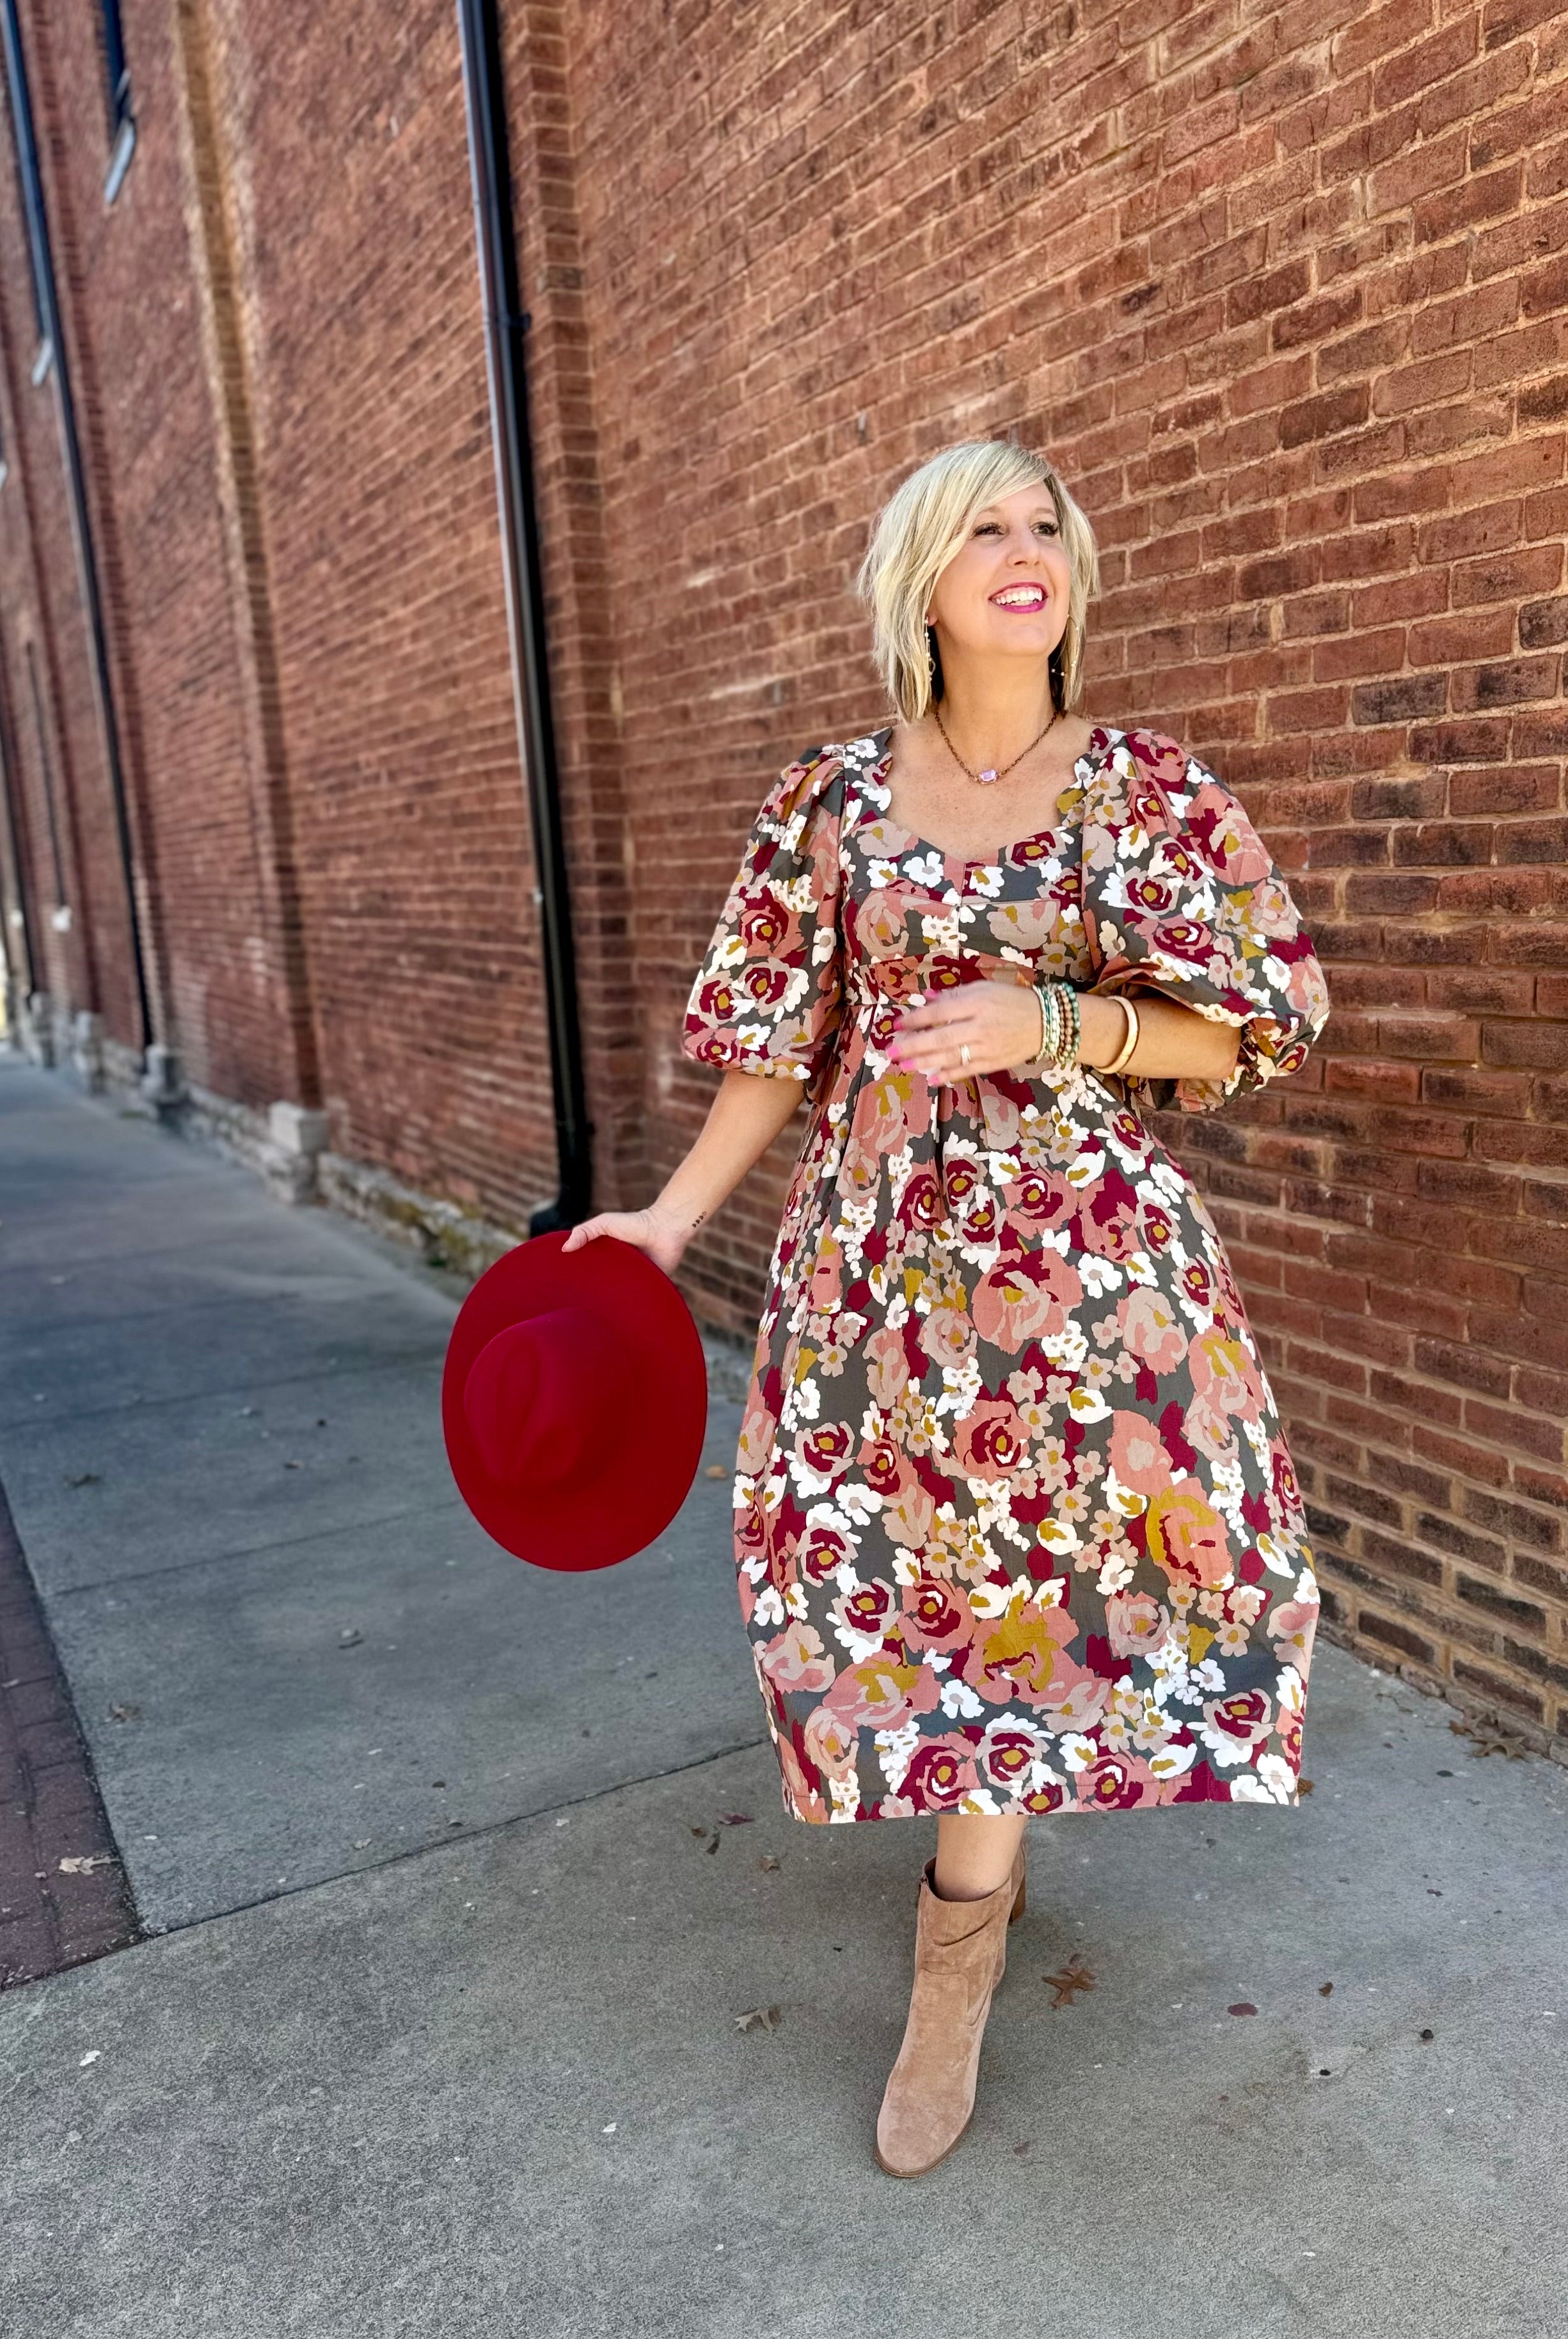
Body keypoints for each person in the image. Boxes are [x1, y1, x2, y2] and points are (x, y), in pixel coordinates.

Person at [562, 437, 1331, 2177]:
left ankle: (958, 1954)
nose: (1023, 547)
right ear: (920, 573)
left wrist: (1046, 1024)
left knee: (1125, 1570)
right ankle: (958, 1938)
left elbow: (1252, 1030)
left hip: (1094, 1270)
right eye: (982, 525)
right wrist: (667, 1224)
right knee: (915, 1593)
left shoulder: (1143, 786)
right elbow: (779, 1051)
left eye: (1044, 522)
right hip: (882, 1273)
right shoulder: (828, 803)